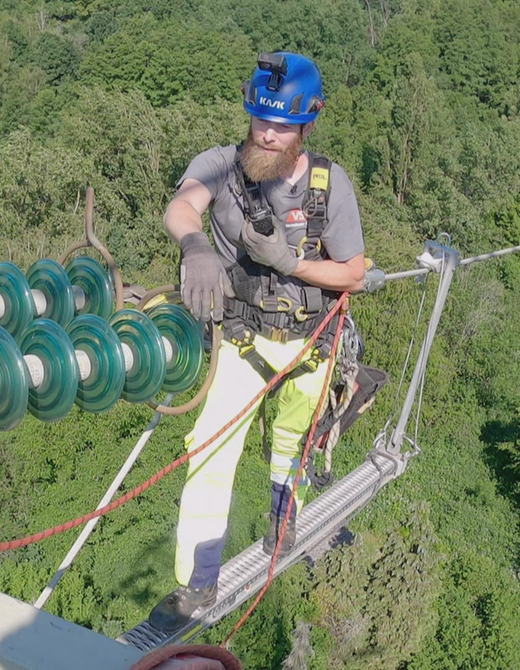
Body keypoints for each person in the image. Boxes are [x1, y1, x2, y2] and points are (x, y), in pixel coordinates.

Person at [150, 51, 376, 631]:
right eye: (259, 121)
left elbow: (353, 272)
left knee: (293, 440)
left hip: (310, 343)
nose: (268, 134)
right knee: (209, 451)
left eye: (280, 126)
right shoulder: (222, 166)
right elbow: (183, 205)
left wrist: (291, 264)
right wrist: (195, 245)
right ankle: (198, 584)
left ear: (307, 125)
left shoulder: (329, 185)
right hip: (241, 338)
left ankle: (285, 522)